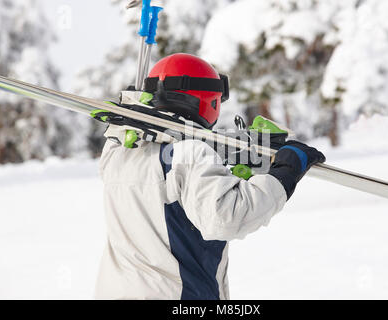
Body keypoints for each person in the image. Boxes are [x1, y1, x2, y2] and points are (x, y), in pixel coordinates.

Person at [95, 53, 325, 300]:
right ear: (208, 101)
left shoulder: (117, 151)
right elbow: (228, 216)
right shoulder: (191, 154)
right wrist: (285, 173)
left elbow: (168, 161)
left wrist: (242, 152)